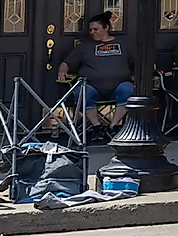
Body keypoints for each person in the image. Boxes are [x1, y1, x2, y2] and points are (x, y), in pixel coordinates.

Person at [53, 11, 134, 141]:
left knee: (129, 89)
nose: (92, 32)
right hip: (92, 87)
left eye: (96, 29)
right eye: (90, 30)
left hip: (119, 86)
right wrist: (62, 71)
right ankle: (97, 127)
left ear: (106, 27)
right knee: (82, 92)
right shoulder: (84, 46)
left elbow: (137, 62)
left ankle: (113, 127)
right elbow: (66, 63)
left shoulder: (124, 44)